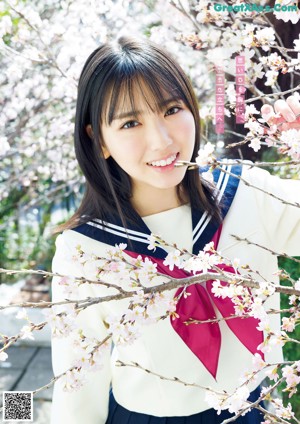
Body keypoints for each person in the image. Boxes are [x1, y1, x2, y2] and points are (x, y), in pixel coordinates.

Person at [51, 36, 300, 424]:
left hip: (256, 410)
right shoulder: (86, 251)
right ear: (98, 140)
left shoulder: (248, 194)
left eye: (171, 109)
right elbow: (76, 384)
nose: (162, 140)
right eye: (131, 122)